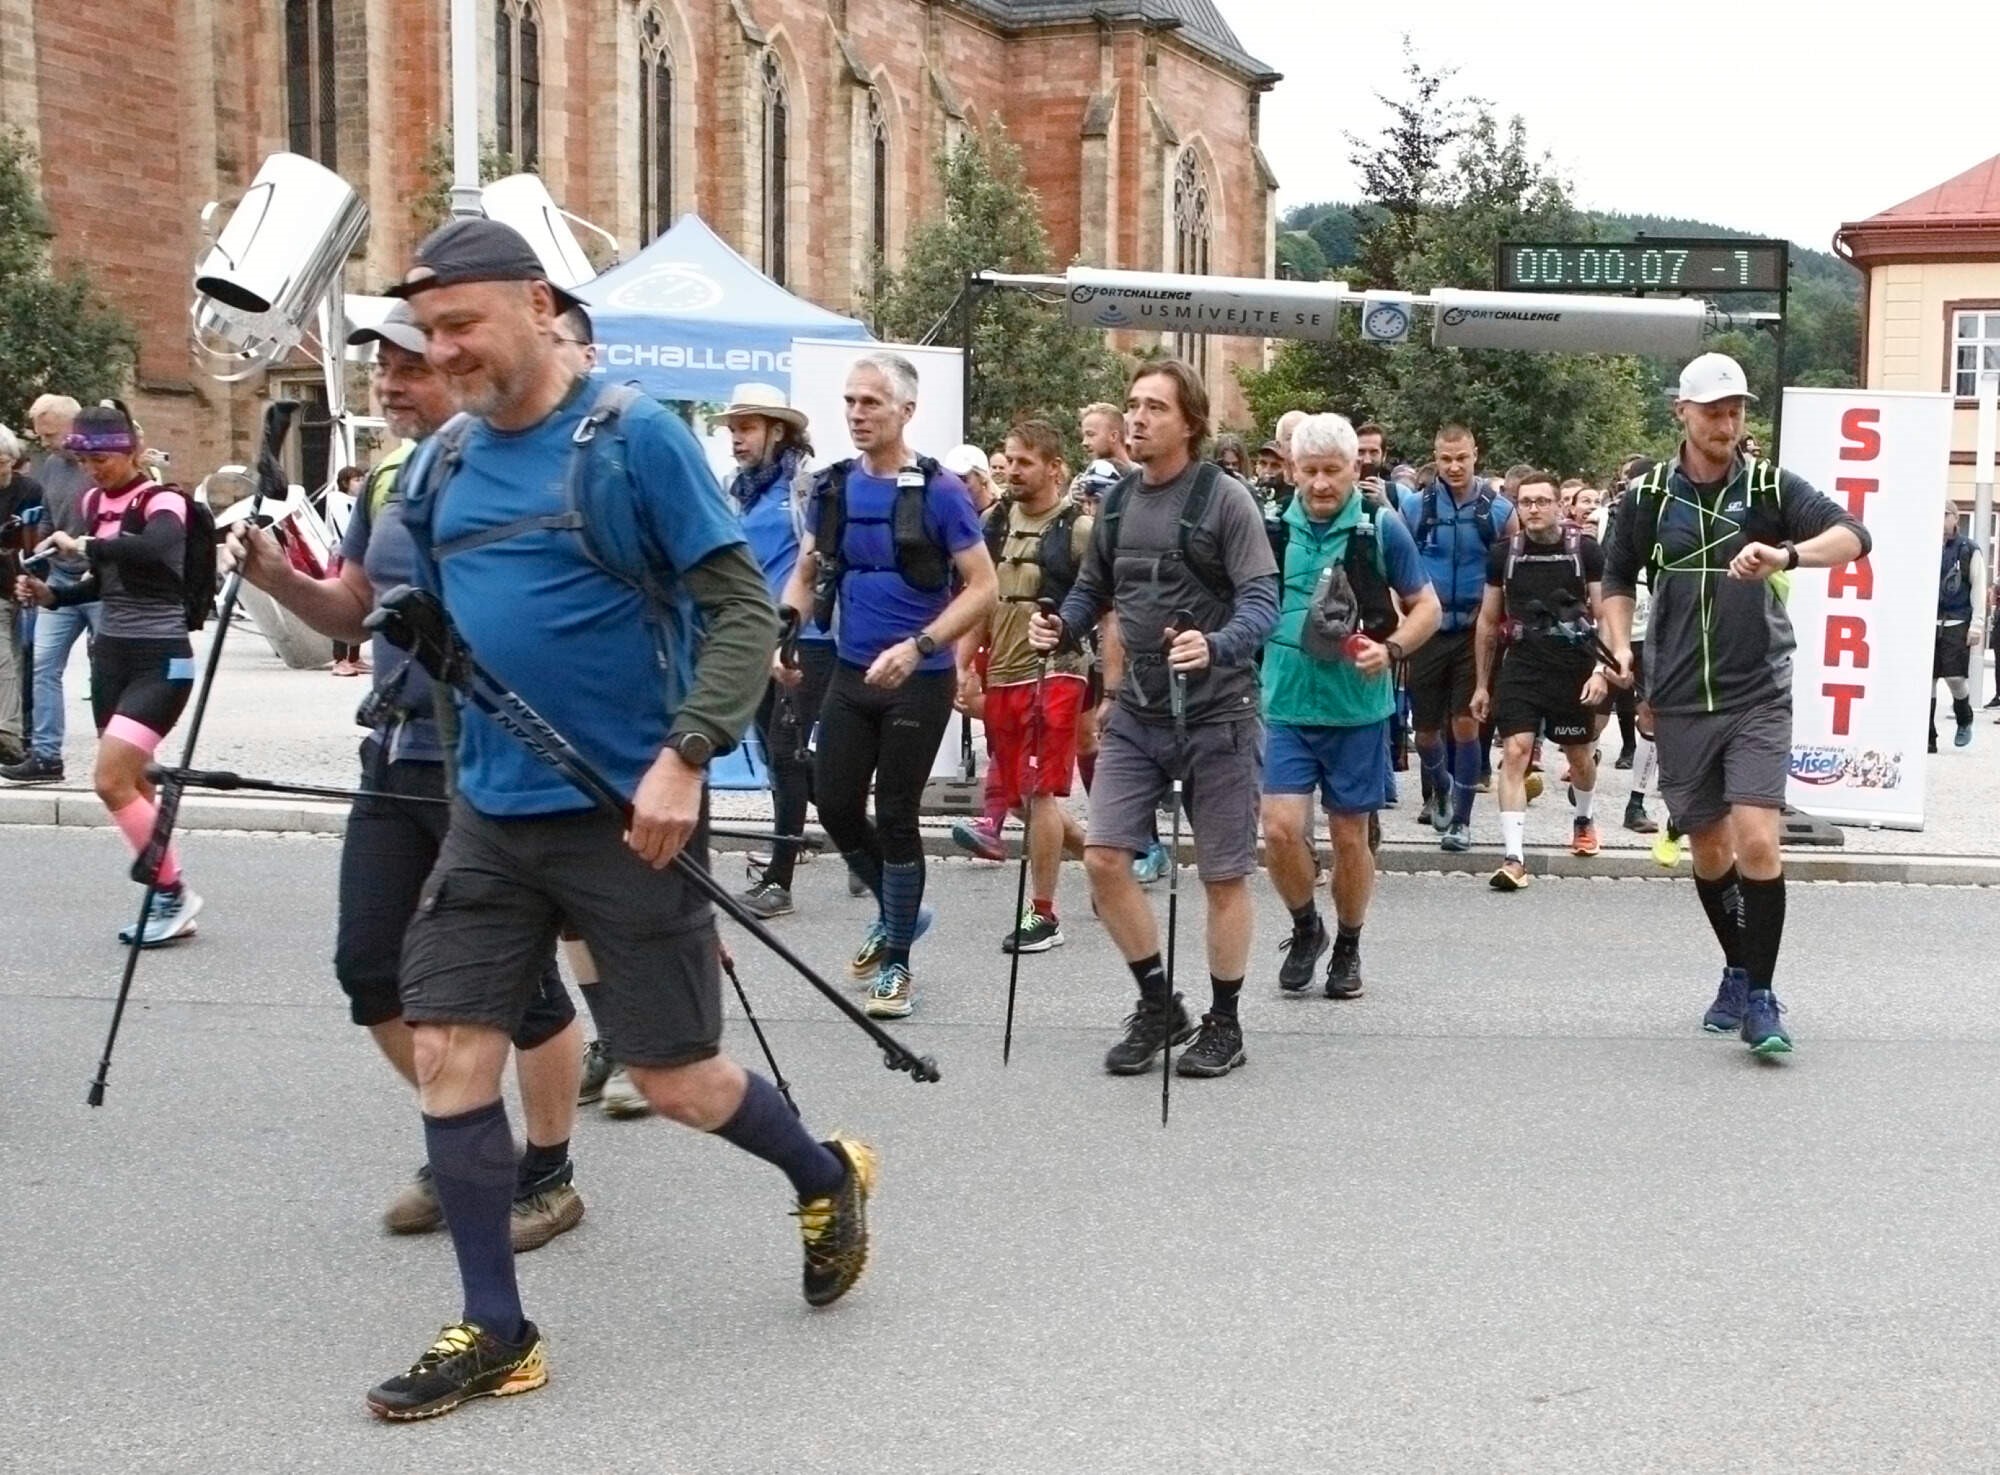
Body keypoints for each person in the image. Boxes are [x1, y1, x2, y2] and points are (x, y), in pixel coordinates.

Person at [365, 217, 873, 1419]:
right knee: (448, 1051)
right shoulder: (443, 462)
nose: (443, 351)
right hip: (490, 810)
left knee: (675, 1077)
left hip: (625, 810)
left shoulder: (632, 438)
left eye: (461, 325)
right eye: (429, 333)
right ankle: (497, 1328)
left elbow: (739, 608)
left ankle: (822, 1172)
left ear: (539, 306)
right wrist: (310, 593)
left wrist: (686, 758)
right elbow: (413, 613)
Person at [224, 299, 588, 1248]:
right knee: (370, 969)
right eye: (381, 368)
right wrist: (275, 577)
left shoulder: (520, 468)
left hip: (487, 763)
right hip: (393, 752)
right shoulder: (389, 476)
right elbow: (353, 605)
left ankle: (548, 1172)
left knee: (523, 993)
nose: (389, 384)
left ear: (460, 367)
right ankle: (473, 1142)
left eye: (409, 366)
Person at [1601, 352, 1870, 1056]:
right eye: (1714, 412)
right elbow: (1617, 578)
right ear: (1682, 413)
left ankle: (1762, 999)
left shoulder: (1769, 485)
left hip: (1758, 690)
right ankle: (1738, 969)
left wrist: (1787, 556)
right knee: (1711, 847)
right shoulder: (1648, 495)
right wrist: (1620, 647)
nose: (1727, 423)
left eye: (1736, 410)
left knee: (1757, 839)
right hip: (1679, 693)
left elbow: (1853, 535)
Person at [1031, 359, 1279, 1079]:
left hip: (1219, 711)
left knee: (1222, 875)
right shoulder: (1114, 504)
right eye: (1133, 405)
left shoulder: (1225, 499)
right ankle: (1158, 1002)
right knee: (1105, 859)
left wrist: (1217, 643)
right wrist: (1062, 624)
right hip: (1139, 709)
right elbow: (1093, 590)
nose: (1136, 418)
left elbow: (1262, 601)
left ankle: (1225, 1022)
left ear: (1190, 422)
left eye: (1155, 407)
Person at [778, 353, 996, 1019]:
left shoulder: (941, 492)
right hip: (852, 672)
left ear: (906, 410)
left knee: (897, 814)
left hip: (918, 679)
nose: (856, 413)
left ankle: (897, 960)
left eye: (871, 402)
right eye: (850, 401)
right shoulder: (832, 488)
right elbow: (806, 574)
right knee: (834, 804)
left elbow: (984, 587)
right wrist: (782, 635)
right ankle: (900, 910)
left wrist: (920, 646)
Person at [13, 402, 203, 944]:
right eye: (86, 461)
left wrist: (86, 544)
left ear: (133, 451)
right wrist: (52, 596)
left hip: (161, 660)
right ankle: (172, 898)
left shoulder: (162, 500)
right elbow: (103, 582)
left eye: (104, 459)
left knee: (109, 781)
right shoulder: (94, 502)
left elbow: (154, 548)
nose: (95, 470)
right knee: (135, 782)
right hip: (112, 659)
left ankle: (173, 893)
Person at [1260, 414, 1437, 996]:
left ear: (1354, 467)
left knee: (1349, 837)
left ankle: (1349, 944)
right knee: (1280, 830)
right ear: (1292, 469)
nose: (1320, 483)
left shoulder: (1379, 527)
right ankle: (1306, 927)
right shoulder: (1269, 526)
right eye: (1309, 470)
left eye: (1332, 471)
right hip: (1285, 704)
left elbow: (1426, 607)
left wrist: (1391, 649)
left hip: (1356, 710)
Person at [958, 419, 1095, 952]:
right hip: (1003, 674)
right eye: (1009, 461)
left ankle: (1043, 914)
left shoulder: (1079, 530)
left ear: (1054, 468)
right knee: (1017, 797)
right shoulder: (992, 524)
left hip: (1057, 670)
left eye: (1024, 462)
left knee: (1039, 791)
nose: (1012, 471)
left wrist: (1114, 685)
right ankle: (1102, 859)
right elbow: (980, 601)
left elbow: (1105, 606)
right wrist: (963, 665)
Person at [1471, 472, 1612, 889]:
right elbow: (1488, 621)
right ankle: (1514, 858)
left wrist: (1600, 671)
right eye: (1526, 502)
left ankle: (1583, 818)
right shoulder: (1504, 554)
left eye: (1542, 501)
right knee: (1516, 751)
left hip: (1573, 666)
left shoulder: (1585, 550)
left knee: (1578, 757)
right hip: (1523, 665)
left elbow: (1605, 615)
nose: (1533, 509)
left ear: (1559, 505)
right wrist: (1482, 684)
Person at [722, 382, 827, 920]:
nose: (736, 438)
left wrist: (792, 631)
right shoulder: (735, 490)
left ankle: (778, 882)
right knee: (777, 755)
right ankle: (860, 837)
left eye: (747, 427)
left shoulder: (807, 487)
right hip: (753, 639)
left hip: (803, 640)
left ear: (777, 430)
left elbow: (817, 566)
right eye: (733, 429)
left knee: (786, 754)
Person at [1397, 424, 1514, 853]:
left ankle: (1461, 821)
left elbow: (1513, 570)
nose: (1454, 466)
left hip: (1474, 631)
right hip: (1428, 629)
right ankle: (1441, 786)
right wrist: (1400, 618)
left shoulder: (1499, 510)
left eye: (1461, 458)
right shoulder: (1415, 506)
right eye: (1445, 459)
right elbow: (1395, 565)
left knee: (1466, 725)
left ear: (1475, 454)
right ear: (1435, 457)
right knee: (1426, 733)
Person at [2, 395, 93, 784]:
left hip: (98, 580)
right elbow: (49, 517)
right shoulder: (53, 467)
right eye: (40, 436)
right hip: (59, 577)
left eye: (50, 435)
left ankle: (118, 754)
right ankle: (46, 756)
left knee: (106, 669)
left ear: (74, 426)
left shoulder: (98, 465)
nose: (44, 443)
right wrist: (37, 550)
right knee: (43, 665)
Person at [0, 427, 44, 766]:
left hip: (21, 584)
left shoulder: (29, 490)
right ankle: (8, 734)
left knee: (18, 659)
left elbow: (35, 541)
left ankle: (19, 729)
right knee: (3, 659)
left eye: (2, 462)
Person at [1931, 503, 1983, 752]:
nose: (1940, 519)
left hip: (1957, 620)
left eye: (1945, 515)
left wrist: (1977, 625)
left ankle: (1964, 717)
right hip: (1928, 622)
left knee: (1954, 677)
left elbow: (1979, 588)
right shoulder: (1925, 546)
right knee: (1927, 679)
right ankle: (1928, 736)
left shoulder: (1968, 549)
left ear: (1955, 518)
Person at [1079, 401, 1135, 477]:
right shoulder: (1084, 480)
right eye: (1084, 436)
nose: (1084, 443)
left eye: (1090, 435)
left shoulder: (1142, 479)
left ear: (1113, 436)